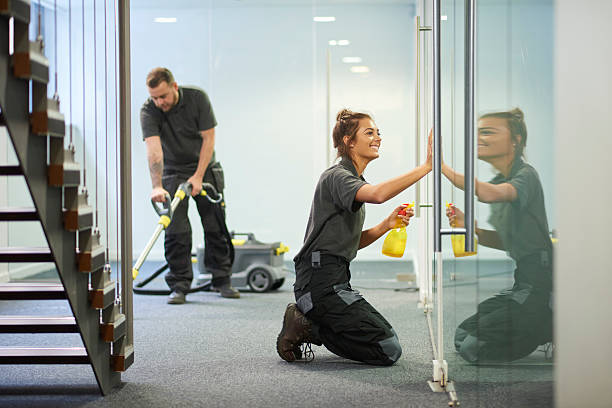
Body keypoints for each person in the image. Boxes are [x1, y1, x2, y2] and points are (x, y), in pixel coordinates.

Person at [276, 109, 432, 365]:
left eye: (378, 132)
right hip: (318, 284)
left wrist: (386, 225)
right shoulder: (337, 176)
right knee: (387, 349)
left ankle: (311, 322)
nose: (377, 137)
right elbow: (378, 194)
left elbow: (347, 243)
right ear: (349, 141)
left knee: (386, 343)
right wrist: (426, 167)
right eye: (369, 132)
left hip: (334, 279)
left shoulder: (352, 179)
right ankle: (308, 326)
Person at [443, 108, 553, 363]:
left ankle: (549, 322)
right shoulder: (502, 178)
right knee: (463, 336)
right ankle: (540, 320)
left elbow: (489, 193)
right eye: (478, 132)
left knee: (474, 349)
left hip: (539, 285)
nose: (479, 137)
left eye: (488, 132)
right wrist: (475, 230)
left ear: (515, 139)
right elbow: (511, 241)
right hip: (522, 283)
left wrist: (441, 168)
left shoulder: (526, 176)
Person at [140, 67, 239, 304]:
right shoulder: (149, 110)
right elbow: (154, 151)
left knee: (215, 226)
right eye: (154, 97)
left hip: (204, 167)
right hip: (172, 171)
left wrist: (198, 176)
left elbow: (209, 139)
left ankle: (221, 280)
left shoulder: (197, 99)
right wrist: (156, 186)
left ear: (174, 87)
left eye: (163, 96)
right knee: (175, 231)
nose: (159, 102)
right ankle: (180, 285)